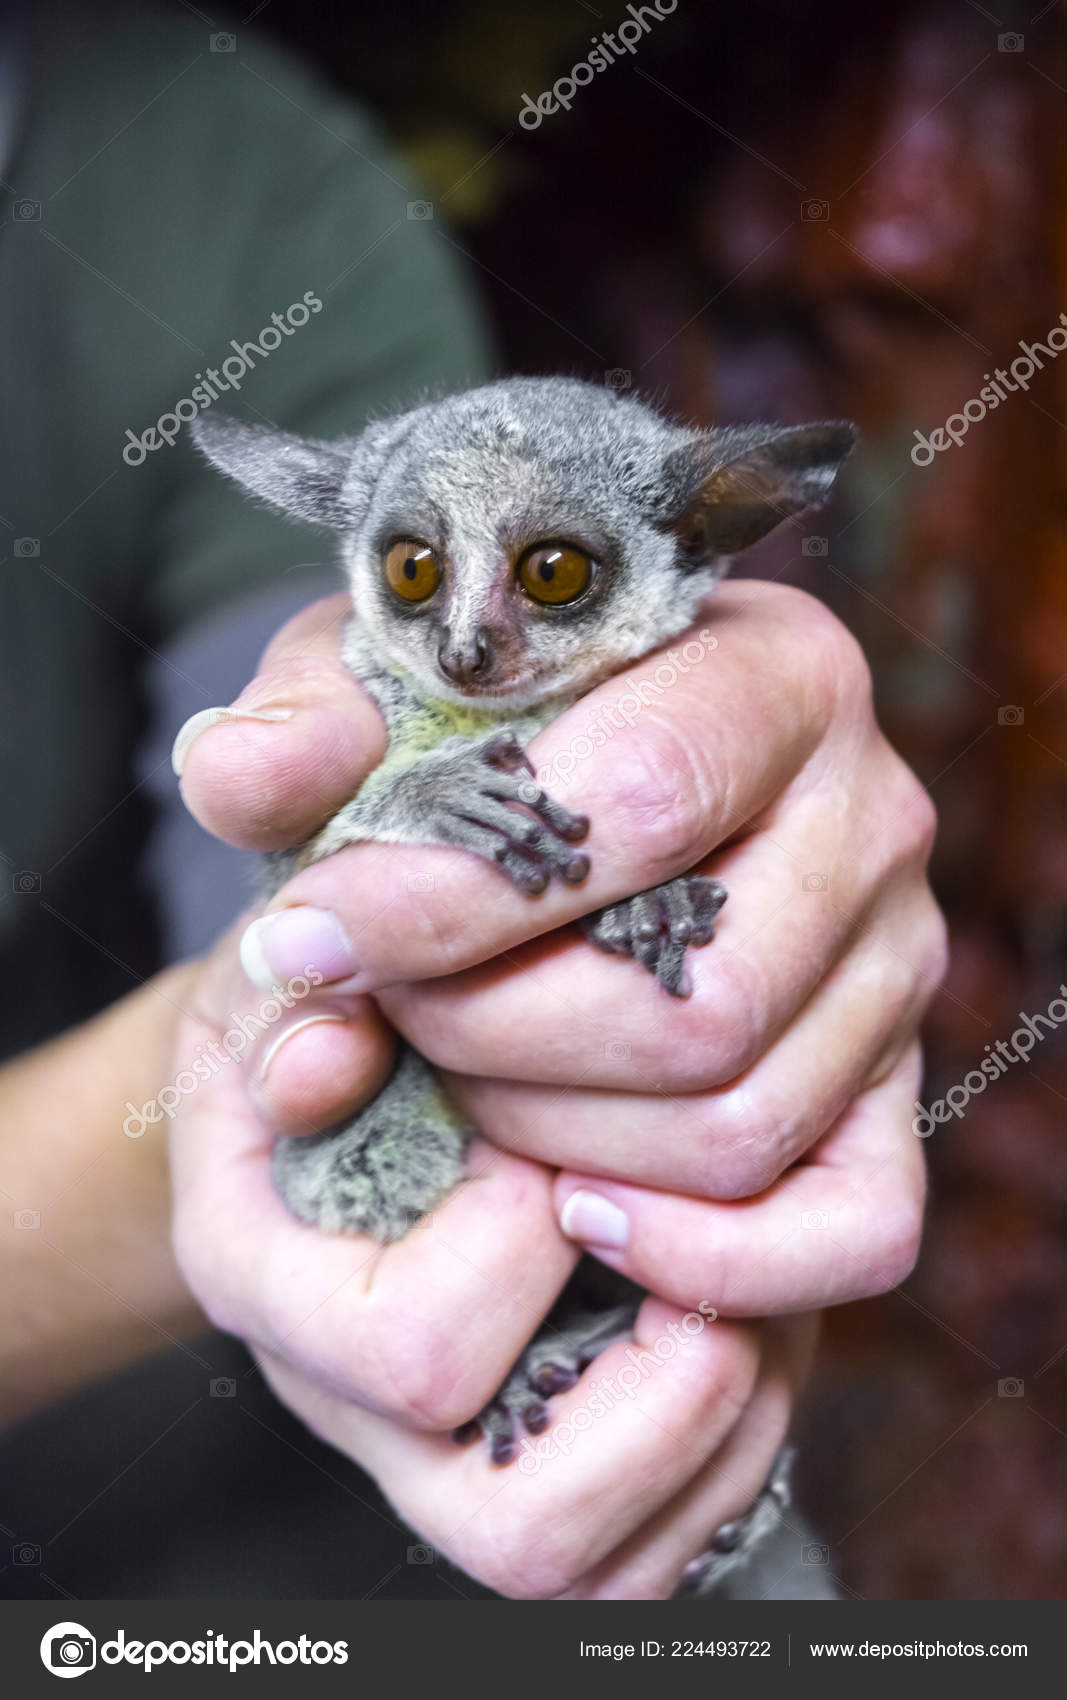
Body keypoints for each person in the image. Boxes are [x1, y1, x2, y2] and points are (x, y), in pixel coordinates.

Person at [0, 0, 943, 1600]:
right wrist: (357, 893)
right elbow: (297, 951)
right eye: (420, 570)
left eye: (553, 576)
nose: (468, 637)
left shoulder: (241, 191)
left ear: (689, 542)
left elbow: (259, 927)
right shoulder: (410, 697)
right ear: (358, 545)